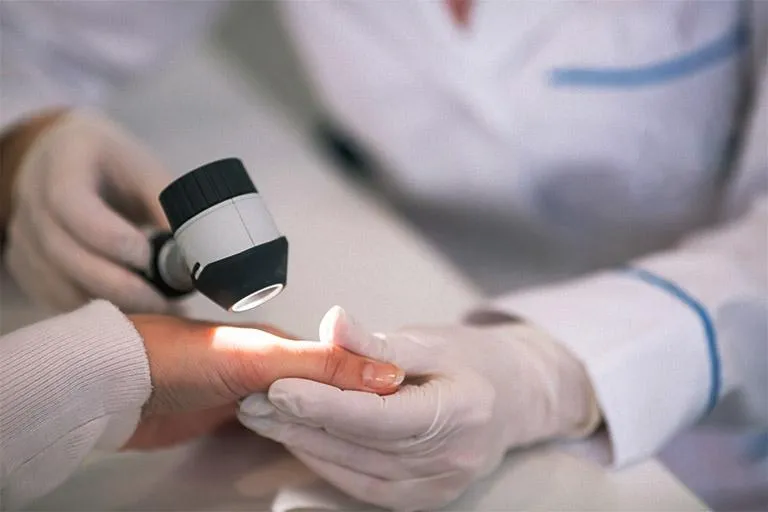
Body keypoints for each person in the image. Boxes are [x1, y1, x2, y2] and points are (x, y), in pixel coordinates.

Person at [1, 0, 766, 510]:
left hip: (712, 413)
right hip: (403, 291)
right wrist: (26, 140)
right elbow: (33, 38)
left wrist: (553, 371)